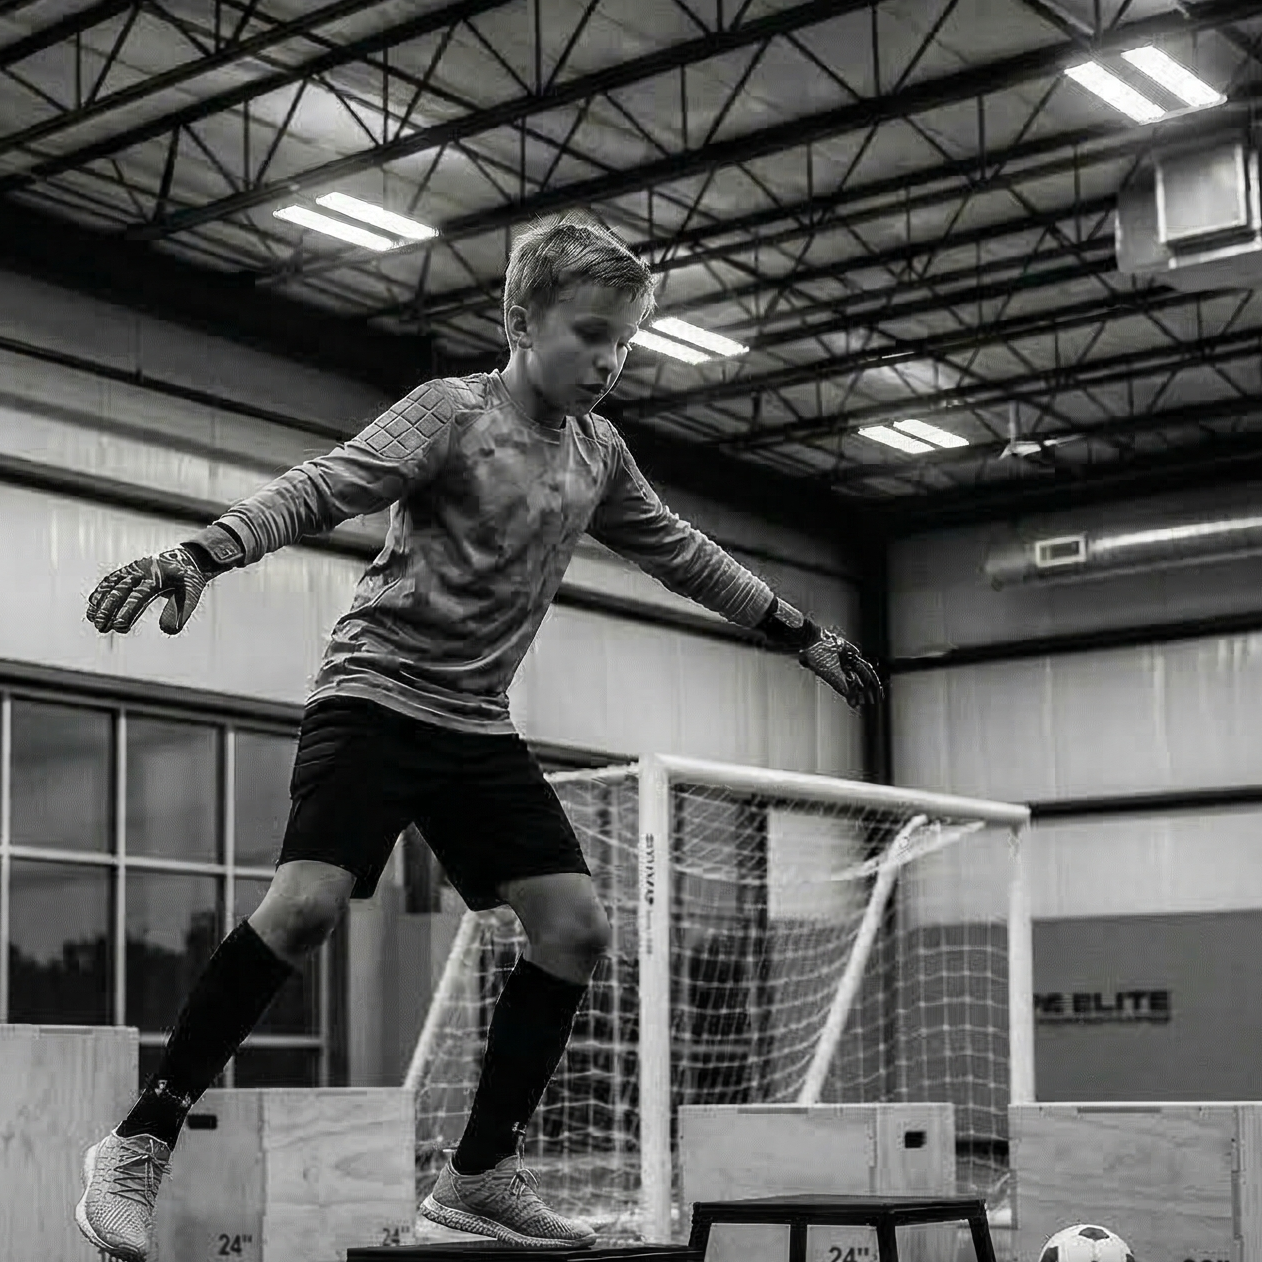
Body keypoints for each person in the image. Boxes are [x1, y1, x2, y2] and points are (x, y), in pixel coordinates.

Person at [74, 211, 881, 1261]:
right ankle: (137, 1144)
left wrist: (799, 630)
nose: (608, 359)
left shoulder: (597, 454)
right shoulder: (451, 413)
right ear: (518, 317)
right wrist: (207, 551)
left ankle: (478, 1174)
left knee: (574, 925)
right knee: (308, 904)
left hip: (473, 724)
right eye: (589, 333)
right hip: (373, 694)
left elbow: (682, 553)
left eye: (624, 342)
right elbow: (328, 481)